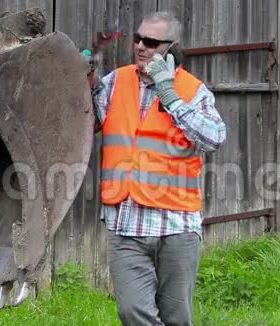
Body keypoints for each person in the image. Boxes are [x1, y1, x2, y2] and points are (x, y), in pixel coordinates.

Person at [85, 12, 227, 326]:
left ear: (171, 48)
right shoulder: (117, 81)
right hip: (127, 224)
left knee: (176, 318)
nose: (140, 46)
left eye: (150, 42)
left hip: (176, 226)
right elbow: (90, 123)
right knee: (132, 312)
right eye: (138, 39)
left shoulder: (192, 91)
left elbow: (214, 138)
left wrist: (170, 95)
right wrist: (89, 73)